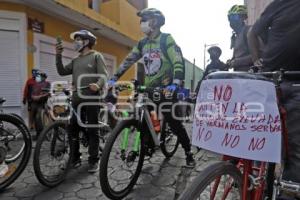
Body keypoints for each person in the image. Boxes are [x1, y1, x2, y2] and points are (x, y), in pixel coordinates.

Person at [109, 8, 195, 167]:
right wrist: (113, 78)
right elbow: (129, 60)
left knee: (174, 123)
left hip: (166, 89)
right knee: (144, 118)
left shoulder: (166, 40)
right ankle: (146, 145)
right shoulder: (142, 43)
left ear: (154, 22)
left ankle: (188, 152)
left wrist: (175, 83)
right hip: (148, 89)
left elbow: (177, 60)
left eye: (144, 20)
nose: (141, 24)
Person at [247, 0, 300, 194]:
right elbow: (252, 33)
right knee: (253, 135)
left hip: (297, 84)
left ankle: (287, 191)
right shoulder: (280, 4)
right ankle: (253, 180)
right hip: (268, 79)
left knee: (294, 150)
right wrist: (256, 60)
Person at [55, 30, 108, 173]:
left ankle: (93, 160)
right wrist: (58, 55)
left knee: (92, 130)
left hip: (92, 98)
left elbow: (104, 75)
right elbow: (61, 71)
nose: (75, 42)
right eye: (75, 39)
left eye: (78, 39)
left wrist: (98, 84)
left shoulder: (96, 56)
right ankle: (75, 158)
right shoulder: (76, 60)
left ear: (86, 41)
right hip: (77, 99)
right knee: (72, 129)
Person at [227, 5, 253, 71]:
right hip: (238, 75)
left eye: (234, 17)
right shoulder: (235, 36)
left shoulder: (248, 31)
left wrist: (237, 62)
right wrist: (230, 61)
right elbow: (236, 57)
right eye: (230, 18)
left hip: (249, 75)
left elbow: (258, 56)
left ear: (243, 18)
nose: (231, 20)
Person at [31, 72, 50, 138]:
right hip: (34, 103)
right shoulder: (35, 84)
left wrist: (40, 96)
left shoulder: (47, 84)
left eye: (42, 76)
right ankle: (38, 134)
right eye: (40, 76)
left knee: (38, 118)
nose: (40, 77)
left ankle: (42, 135)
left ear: (44, 77)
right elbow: (32, 94)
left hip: (41, 104)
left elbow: (48, 93)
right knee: (35, 120)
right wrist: (33, 97)